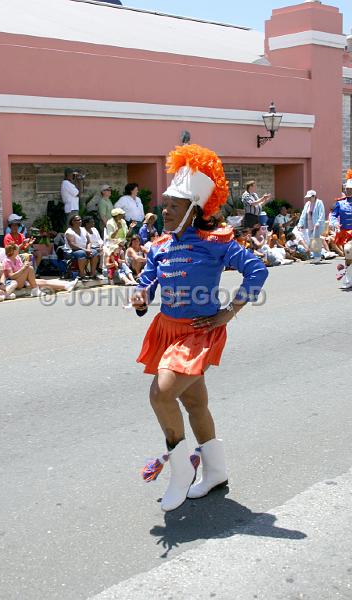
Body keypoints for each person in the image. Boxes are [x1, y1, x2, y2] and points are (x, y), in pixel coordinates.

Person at [131, 143, 268, 512]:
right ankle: (216, 472)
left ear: (193, 211)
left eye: (173, 207)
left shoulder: (216, 242)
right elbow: (145, 282)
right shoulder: (159, 246)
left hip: (198, 332)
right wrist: (140, 296)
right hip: (166, 330)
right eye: (165, 206)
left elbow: (258, 270)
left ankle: (179, 472)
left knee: (161, 395)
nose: (164, 213)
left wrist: (230, 312)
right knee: (194, 403)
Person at [2, 243, 78, 295]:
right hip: (15, 282)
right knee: (29, 268)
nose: (18, 250)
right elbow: (12, 276)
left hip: (23, 280)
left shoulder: (17, 258)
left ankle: (66, 286)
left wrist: (24, 268)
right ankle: (35, 290)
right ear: (12, 251)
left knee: (44, 281)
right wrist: (23, 268)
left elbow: (23, 270)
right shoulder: (7, 261)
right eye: (17, 249)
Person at [298, 190, 326, 264]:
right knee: (312, 240)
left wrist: (318, 223)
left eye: (310, 197)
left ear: (314, 196)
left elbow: (322, 214)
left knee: (315, 239)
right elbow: (303, 214)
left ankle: (318, 256)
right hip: (309, 224)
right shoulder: (307, 203)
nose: (308, 199)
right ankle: (316, 256)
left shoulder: (319, 202)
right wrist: (300, 224)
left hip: (317, 225)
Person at [330, 171, 352, 251]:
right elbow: (333, 215)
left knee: (349, 248)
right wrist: (334, 223)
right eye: (347, 189)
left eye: (350, 189)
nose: (348, 191)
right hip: (343, 232)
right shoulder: (340, 203)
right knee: (348, 256)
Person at [64, 214, 91, 281]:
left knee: (95, 252)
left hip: (84, 249)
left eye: (80, 219)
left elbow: (89, 241)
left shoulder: (83, 229)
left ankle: (92, 273)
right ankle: (82, 274)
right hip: (72, 250)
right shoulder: (69, 232)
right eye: (78, 220)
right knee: (81, 253)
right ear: (73, 221)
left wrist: (89, 249)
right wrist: (85, 250)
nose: (80, 221)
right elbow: (72, 244)